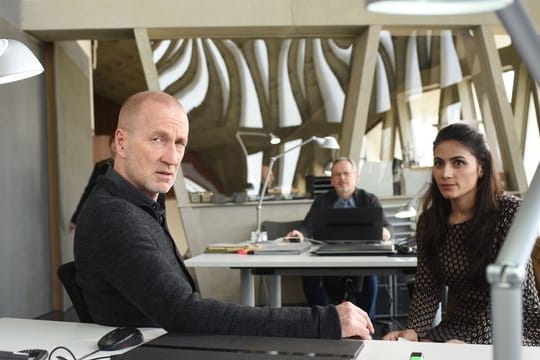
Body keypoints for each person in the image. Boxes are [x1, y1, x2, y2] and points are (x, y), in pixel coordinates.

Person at [74, 91, 374, 339]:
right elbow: (184, 313)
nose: (172, 158)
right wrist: (324, 321)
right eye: (158, 139)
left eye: (179, 144)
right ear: (122, 142)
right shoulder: (113, 215)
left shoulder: (141, 204)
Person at [383, 123, 540, 345]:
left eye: (458, 163)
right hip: (456, 327)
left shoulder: (510, 212)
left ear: (481, 168)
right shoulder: (429, 221)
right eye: (439, 163)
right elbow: (427, 289)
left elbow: (511, 294)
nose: (445, 173)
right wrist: (413, 331)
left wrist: (471, 345)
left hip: (515, 328)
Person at [287, 157, 392, 320]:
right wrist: (300, 233)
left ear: (356, 177)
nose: (342, 178)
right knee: (308, 273)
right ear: (332, 180)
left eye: (346, 173)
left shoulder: (369, 199)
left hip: (361, 258)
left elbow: (387, 227)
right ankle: (322, 321)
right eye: (337, 174)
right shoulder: (322, 201)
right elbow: (308, 225)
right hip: (328, 257)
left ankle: (366, 323)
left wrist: (385, 232)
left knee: (370, 273)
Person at [69, 135, 115, 231]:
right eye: (113, 145)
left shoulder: (130, 169)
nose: (115, 148)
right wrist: (75, 219)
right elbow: (88, 192)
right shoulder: (101, 167)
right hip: (102, 215)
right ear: (110, 146)